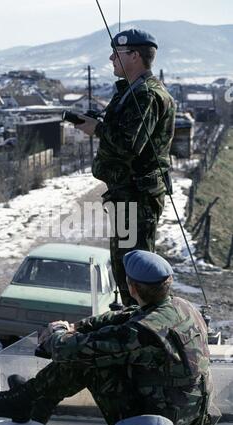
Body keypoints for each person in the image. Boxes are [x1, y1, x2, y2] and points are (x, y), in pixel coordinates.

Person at [0, 250, 219, 425]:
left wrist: (57, 334)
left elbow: (68, 350)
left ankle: (25, 400)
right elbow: (123, 317)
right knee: (93, 353)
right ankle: (33, 400)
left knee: (85, 362)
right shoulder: (182, 307)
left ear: (132, 287)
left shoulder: (143, 332)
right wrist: (76, 326)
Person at [74, 29, 176, 306]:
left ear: (134, 56)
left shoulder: (145, 94)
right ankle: (132, 321)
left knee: (137, 273)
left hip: (137, 197)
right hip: (127, 194)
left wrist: (98, 129)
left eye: (116, 54)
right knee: (125, 267)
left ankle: (140, 331)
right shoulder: (131, 91)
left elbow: (131, 145)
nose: (111, 58)